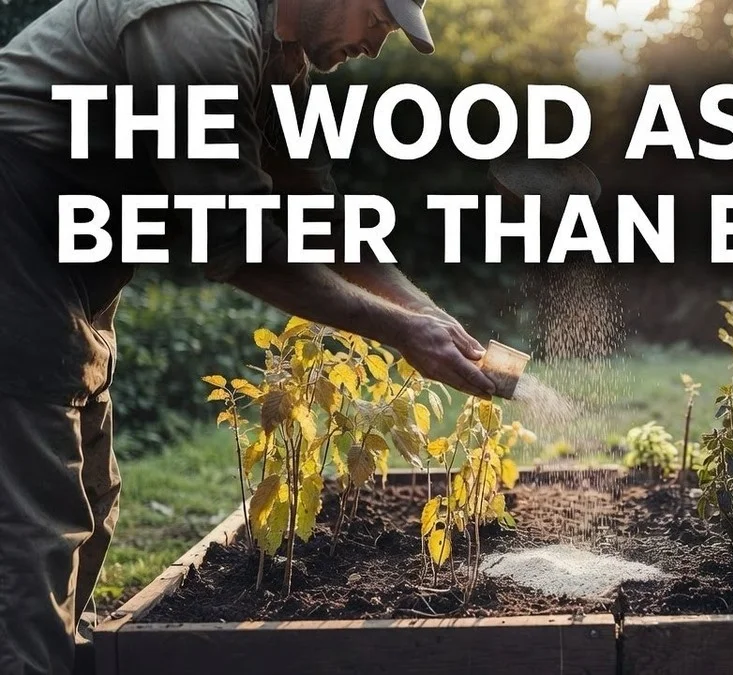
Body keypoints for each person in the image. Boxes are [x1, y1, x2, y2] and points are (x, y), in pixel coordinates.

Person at [0, 0, 496, 672]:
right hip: (17, 227)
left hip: (69, 269)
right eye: (379, 21)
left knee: (90, 489)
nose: (376, 47)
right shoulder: (202, 23)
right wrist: (400, 331)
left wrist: (428, 316)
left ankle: (66, 654)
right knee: (36, 514)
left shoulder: (281, 62)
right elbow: (237, 241)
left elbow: (316, 216)